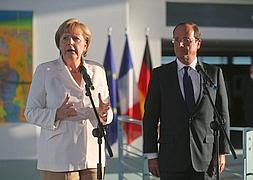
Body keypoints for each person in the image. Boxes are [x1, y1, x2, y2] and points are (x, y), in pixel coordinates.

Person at [24, 18, 113, 180]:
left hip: (92, 156)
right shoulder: (45, 70)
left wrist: (104, 113)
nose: (69, 42)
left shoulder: (97, 70)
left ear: (85, 45)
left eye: (76, 38)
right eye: (65, 38)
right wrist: (56, 114)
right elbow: (30, 112)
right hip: (58, 158)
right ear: (59, 44)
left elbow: (107, 111)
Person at [143, 22, 230, 179]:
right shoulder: (160, 75)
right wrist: (151, 156)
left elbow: (222, 115)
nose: (180, 44)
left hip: (206, 158)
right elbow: (150, 118)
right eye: (176, 40)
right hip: (171, 158)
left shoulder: (214, 73)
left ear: (198, 43)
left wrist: (221, 152)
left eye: (186, 39)